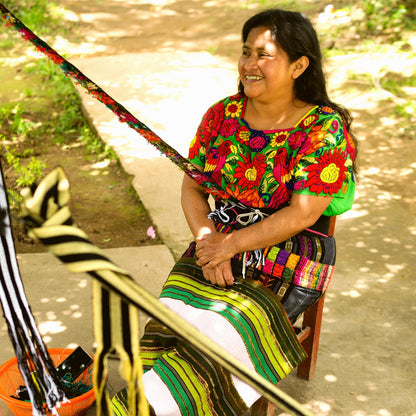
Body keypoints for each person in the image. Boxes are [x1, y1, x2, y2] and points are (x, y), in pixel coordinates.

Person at [112, 8, 357, 416]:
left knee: (224, 333)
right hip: (217, 240)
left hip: (289, 255)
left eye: (264, 54)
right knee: (172, 323)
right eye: (246, 52)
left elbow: (301, 215)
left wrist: (229, 246)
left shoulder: (323, 129)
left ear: (299, 65)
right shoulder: (222, 115)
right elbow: (192, 185)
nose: (249, 65)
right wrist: (207, 240)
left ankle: (151, 406)